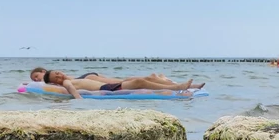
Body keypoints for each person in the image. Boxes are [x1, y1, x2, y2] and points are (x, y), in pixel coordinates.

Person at [41, 69, 200, 99]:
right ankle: (177, 87)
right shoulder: (67, 82)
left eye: (58, 72)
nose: (59, 75)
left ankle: (186, 86)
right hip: (105, 89)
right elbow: (69, 88)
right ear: (53, 82)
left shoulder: (70, 78)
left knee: (146, 80)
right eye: (55, 77)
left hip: (108, 86)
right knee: (140, 81)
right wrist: (78, 100)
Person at [30, 67, 181, 84]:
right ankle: (156, 77)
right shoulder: (54, 75)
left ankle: (154, 78)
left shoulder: (50, 77)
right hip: (87, 76)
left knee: (122, 81)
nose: (36, 80)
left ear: (43, 72)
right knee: (121, 80)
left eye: (36, 76)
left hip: (87, 78)